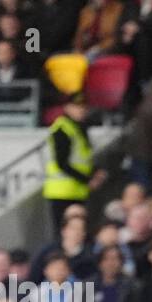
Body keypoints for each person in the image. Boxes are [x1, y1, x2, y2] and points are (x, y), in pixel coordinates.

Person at [43, 94, 105, 232]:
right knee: (64, 232)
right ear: (67, 108)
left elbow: (84, 159)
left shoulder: (79, 128)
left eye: (84, 106)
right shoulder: (62, 129)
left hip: (77, 190)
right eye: (77, 106)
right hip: (62, 191)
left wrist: (96, 171)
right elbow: (62, 163)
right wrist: (87, 180)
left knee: (79, 231)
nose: (82, 110)